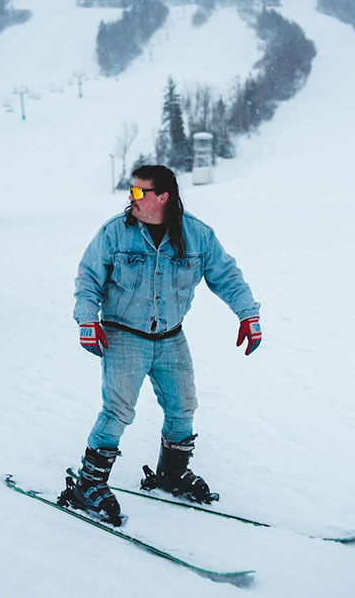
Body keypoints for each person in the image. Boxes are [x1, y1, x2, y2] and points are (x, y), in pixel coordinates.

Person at [63, 165, 262, 525]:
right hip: (124, 334)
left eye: (140, 192)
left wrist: (247, 314)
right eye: (131, 191)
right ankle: (88, 485)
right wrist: (87, 320)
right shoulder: (115, 233)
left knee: (183, 407)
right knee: (118, 411)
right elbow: (88, 279)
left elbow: (227, 276)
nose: (131, 198)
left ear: (163, 197)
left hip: (171, 337)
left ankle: (172, 474)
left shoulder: (198, 236)